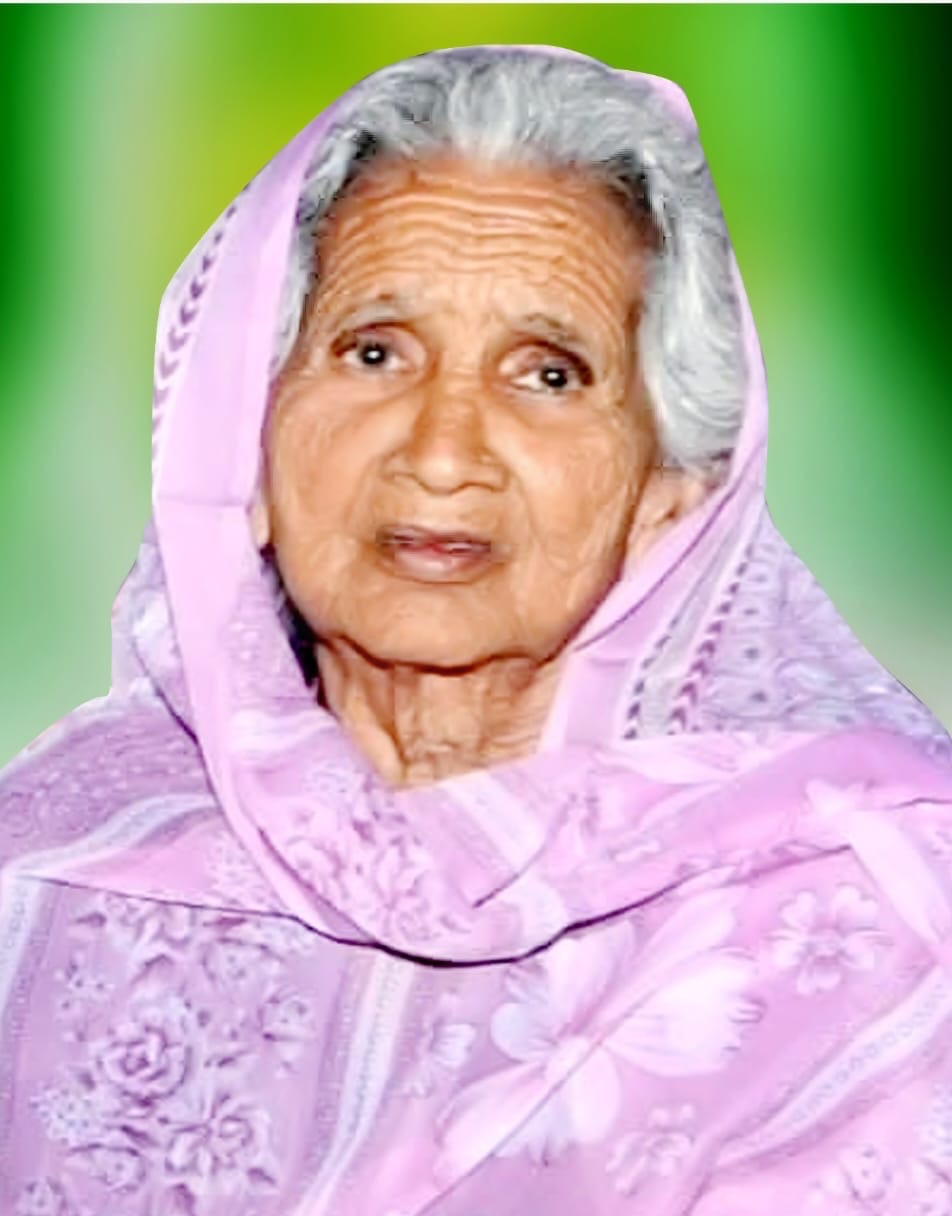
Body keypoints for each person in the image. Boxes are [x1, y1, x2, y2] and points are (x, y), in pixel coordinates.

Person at [1, 45, 950, 1216]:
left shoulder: (862, 919)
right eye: (374, 352)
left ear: (668, 494)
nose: (443, 451)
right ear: (242, 438)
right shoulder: (45, 872)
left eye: (547, 375)